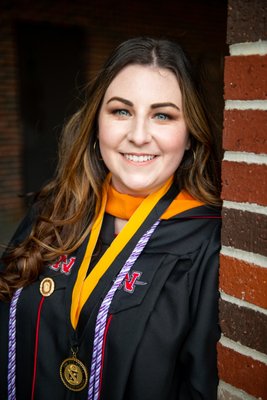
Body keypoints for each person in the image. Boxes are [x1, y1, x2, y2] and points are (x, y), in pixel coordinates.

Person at [0, 36, 221, 400]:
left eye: (162, 115)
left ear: (189, 136)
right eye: (121, 111)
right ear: (96, 123)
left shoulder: (206, 246)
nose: (137, 136)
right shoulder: (55, 211)